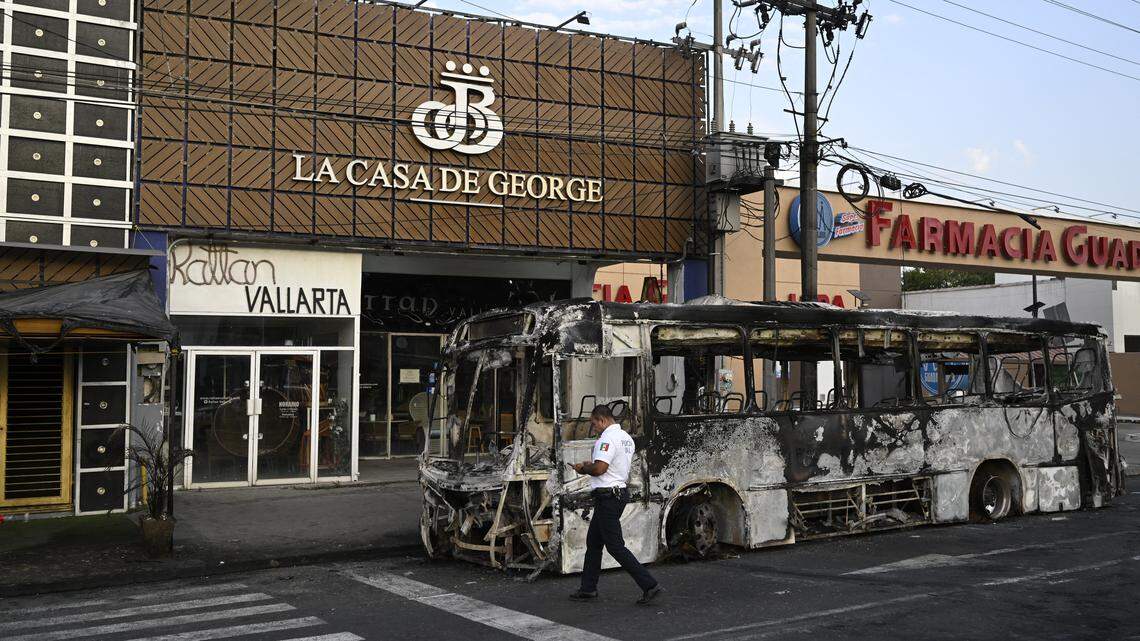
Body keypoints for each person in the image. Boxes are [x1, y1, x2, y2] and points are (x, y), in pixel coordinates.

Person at [568, 405, 663, 606]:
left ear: (602, 420)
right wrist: (592, 465)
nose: (594, 428)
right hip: (617, 494)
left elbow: (600, 469)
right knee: (594, 543)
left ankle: (649, 585)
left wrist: (584, 468)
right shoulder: (625, 438)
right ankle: (588, 588)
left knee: (615, 546)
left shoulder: (607, 439)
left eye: (594, 424)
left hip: (608, 498)